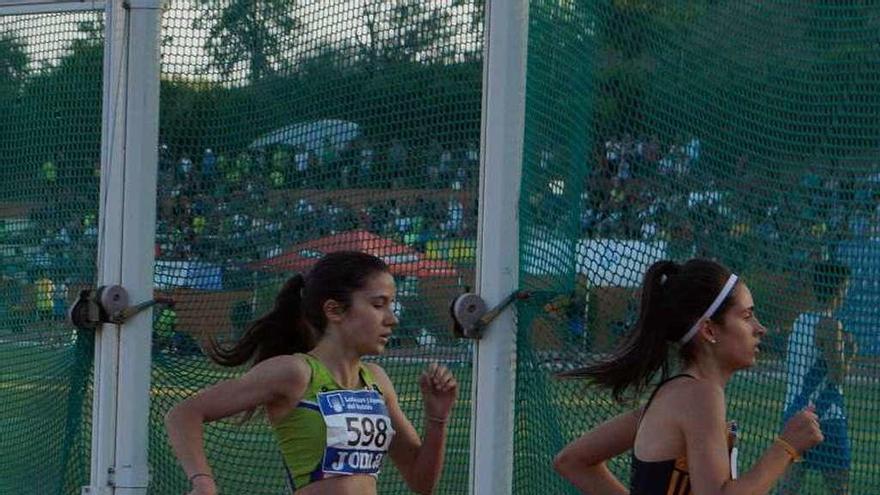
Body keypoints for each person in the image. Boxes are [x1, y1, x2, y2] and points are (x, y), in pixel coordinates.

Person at [165, 251, 458, 495]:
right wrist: (203, 482)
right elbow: (184, 414)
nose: (392, 319)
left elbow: (421, 483)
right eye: (378, 304)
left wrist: (437, 419)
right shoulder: (296, 372)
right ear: (334, 311)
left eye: (390, 305)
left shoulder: (376, 380)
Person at [553, 259, 824, 494]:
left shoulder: (674, 397)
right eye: (747, 316)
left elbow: (573, 460)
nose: (760, 328)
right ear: (709, 330)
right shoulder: (700, 396)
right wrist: (787, 447)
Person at [779, 262, 855, 495]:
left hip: (793, 414)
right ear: (840, 289)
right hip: (825, 417)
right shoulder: (831, 326)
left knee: (787, 488)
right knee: (839, 491)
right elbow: (837, 375)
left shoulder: (800, 321)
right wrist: (851, 352)